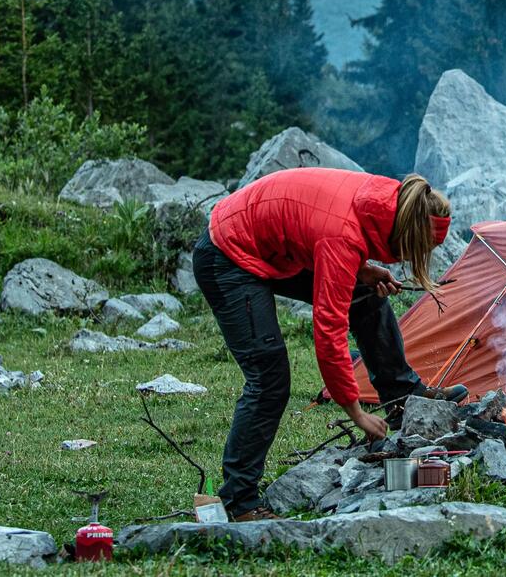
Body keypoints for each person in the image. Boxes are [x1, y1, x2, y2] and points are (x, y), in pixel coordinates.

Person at [194, 167, 468, 521]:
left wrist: (362, 271)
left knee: (366, 294)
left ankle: (403, 398)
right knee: (269, 379)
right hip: (227, 255)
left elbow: (318, 227)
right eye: (424, 248)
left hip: (273, 244)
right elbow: (329, 330)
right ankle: (239, 500)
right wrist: (355, 411)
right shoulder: (345, 237)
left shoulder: (393, 200)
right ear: (408, 235)